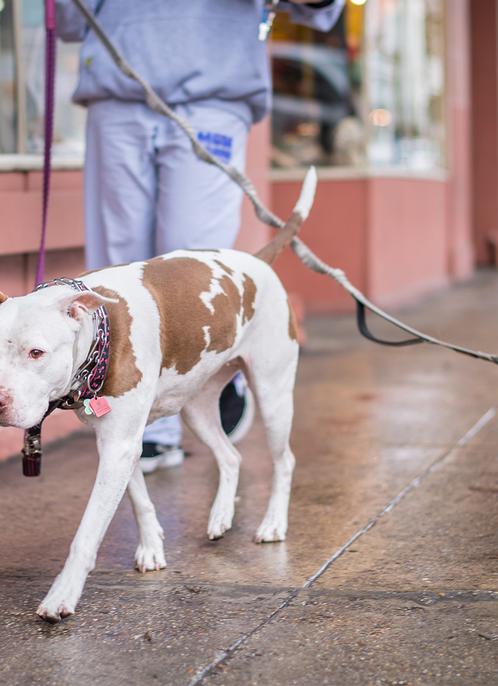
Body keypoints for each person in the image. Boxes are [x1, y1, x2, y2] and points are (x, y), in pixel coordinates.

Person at [56, 0, 345, 473]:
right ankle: (133, 424)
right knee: (113, 272)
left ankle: (206, 384)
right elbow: (70, 20)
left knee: (188, 273)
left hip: (212, 94)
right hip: (116, 91)